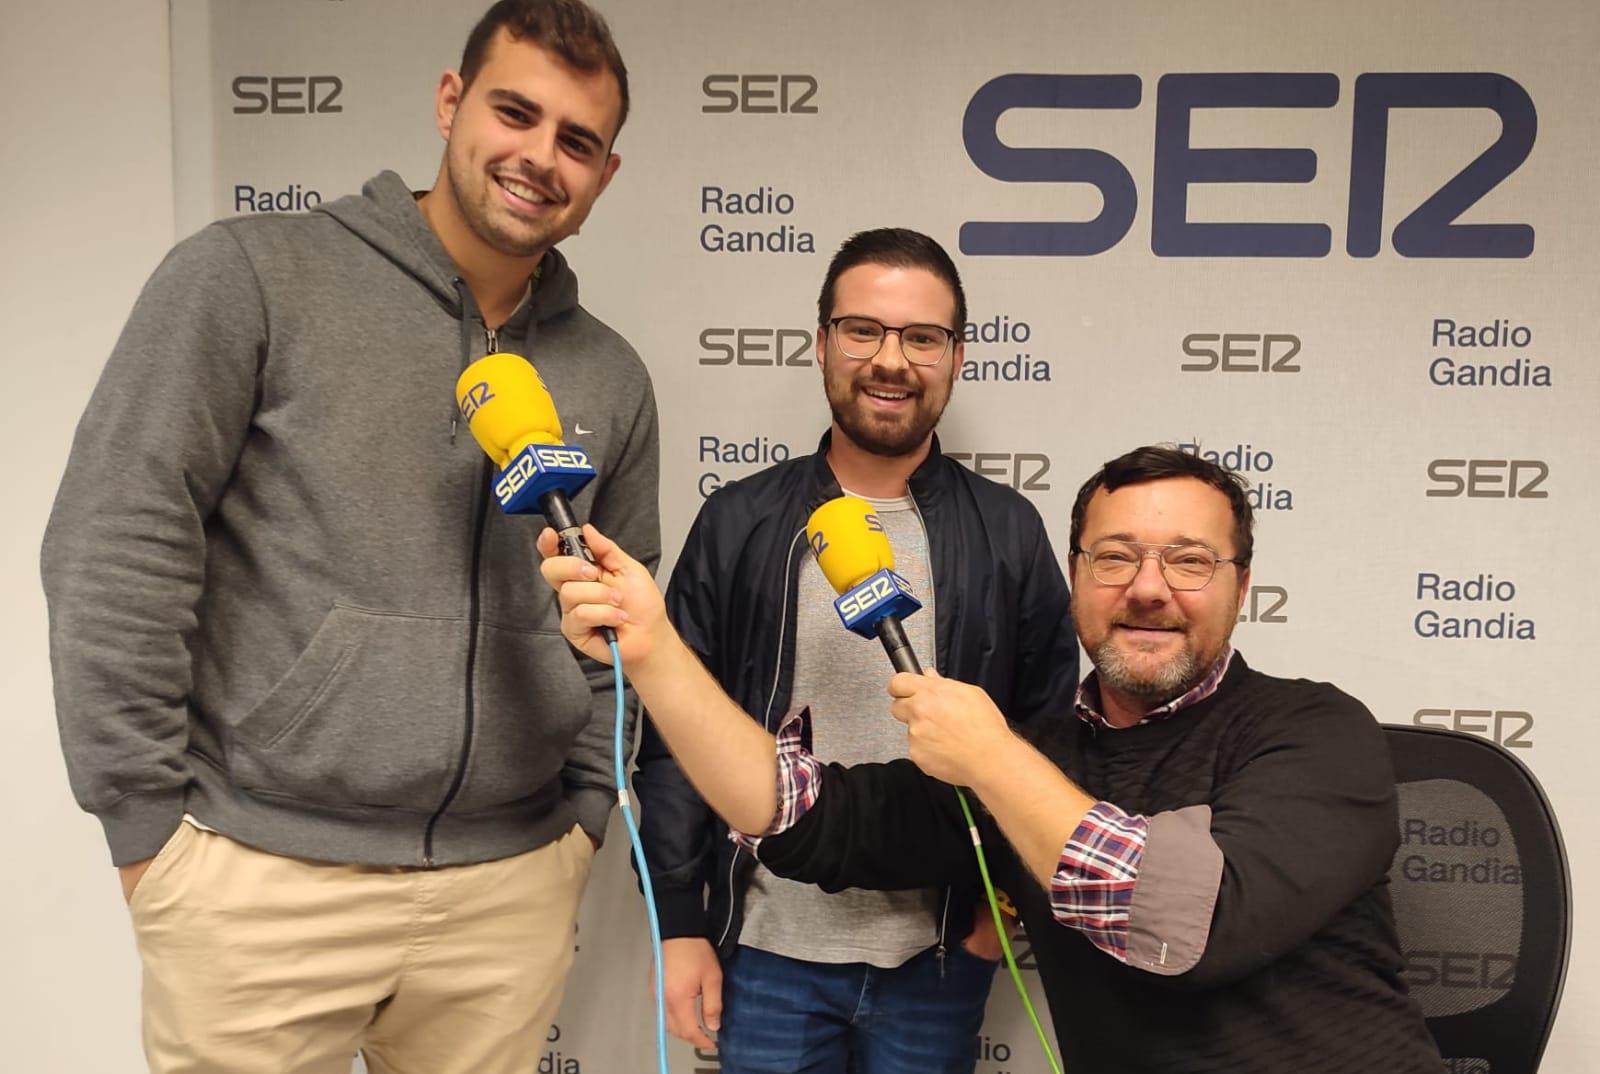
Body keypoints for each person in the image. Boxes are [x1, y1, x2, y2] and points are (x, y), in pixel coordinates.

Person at [40, 2, 658, 1071]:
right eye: (515, 112)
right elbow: (116, 545)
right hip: (260, 879)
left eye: (576, 141)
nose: (539, 157)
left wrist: (582, 823)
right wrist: (147, 832)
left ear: (605, 175)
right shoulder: (250, 276)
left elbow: (623, 624)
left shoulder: (610, 373)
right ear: (449, 101)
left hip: (507, 888)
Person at [538, 446, 1444, 1074]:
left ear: (1243, 585)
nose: (1148, 588)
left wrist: (993, 761)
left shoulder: (1317, 732)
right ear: (1077, 578)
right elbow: (794, 812)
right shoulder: (1039, 755)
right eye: (1116, 557)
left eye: (1190, 562)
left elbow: (1186, 929)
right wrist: (652, 648)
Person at [632, 228, 1077, 1073]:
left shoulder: (1008, 531)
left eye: (922, 337)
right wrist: (682, 925)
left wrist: (1004, 914)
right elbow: (675, 736)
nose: (891, 360)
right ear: (823, 344)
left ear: (956, 356)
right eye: (864, 330)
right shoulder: (741, 521)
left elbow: (1049, 731)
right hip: (765, 954)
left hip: (937, 957)